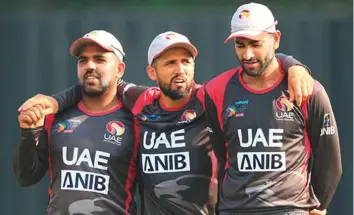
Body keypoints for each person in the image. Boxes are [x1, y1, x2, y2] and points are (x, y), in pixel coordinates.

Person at [18, 31, 313, 215]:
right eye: (170, 63)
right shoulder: (142, 101)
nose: (180, 70)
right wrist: (56, 102)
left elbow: (254, 72)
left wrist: (293, 64)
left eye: (186, 62)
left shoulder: (210, 97)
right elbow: (99, 84)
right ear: (152, 72)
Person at [204, 3, 342, 215]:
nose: (247, 54)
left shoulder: (308, 90)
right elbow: (220, 157)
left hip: (290, 209)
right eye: (240, 45)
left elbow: (330, 161)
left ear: (276, 39)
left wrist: (318, 206)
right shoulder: (215, 90)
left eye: (255, 44)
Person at [14, 30, 139, 215]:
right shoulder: (55, 115)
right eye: (83, 60)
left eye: (99, 59)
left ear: (119, 69)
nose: (89, 65)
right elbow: (26, 177)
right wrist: (28, 133)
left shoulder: (135, 120)